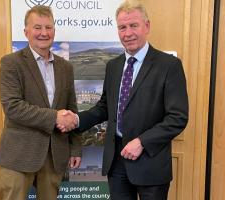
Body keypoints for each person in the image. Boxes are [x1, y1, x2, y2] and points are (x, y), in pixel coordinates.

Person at [58, 0, 188, 199]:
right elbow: (104, 108)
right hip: (116, 161)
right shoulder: (114, 66)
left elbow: (177, 117)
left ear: (147, 26)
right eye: (122, 27)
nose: (127, 33)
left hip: (150, 163)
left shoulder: (169, 66)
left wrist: (142, 142)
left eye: (133, 25)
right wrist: (76, 120)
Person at [0, 5, 81, 200]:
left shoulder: (65, 67)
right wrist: (55, 117)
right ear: (26, 32)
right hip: (18, 155)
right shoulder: (11, 63)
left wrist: (75, 147)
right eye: (37, 28)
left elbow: (72, 109)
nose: (44, 33)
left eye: (48, 27)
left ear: (54, 30)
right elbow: (13, 107)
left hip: (54, 154)